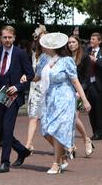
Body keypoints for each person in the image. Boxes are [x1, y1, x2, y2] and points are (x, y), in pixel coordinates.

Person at [34, 33, 91, 174]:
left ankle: (56, 163)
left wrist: (84, 100)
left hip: (65, 98)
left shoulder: (67, 61)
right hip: (49, 97)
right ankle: (64, 154)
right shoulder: (43, 60)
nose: (43, 47)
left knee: (58, 129)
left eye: (45, 45)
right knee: (46, 130)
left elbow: (75, 81)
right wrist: (23, 77)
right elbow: (36, 77)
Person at [0, 26, 34, 173]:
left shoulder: (20, 54)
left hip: (13, 95)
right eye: (5, 37)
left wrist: (18, 86)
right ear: (1, 38)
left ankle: (4, 162)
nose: (7, 40)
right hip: (0, 95)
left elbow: (30, 74)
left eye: (10, 38)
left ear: (14, 38)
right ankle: (22, 151)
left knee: (7, 128)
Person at [66, 35, 94, 157]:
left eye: (73, 42)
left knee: (73, 117)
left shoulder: (85, 57)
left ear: (78, 43)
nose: (71, 44)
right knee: (69, 119)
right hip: (67, 91)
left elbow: (87, 78)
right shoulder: (65, 57)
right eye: (69, 43)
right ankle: (74, 143)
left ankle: (84, 140)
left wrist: (79, 92)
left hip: (80, 91)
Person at [24, 25, 49, 153]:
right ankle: (29, 144)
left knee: (48, 120)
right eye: (40, 39)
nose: (41, 41)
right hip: (35, 87)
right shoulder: (35, 54)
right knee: (33, 116)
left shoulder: (53, 54)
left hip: (48, 89)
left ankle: (67, 144)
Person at [86, 32, 102, 140]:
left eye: (93, 39)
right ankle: (95, 131)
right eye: (91, 39)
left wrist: (96, 60)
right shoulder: (87, 52)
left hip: (99, 84)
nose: (91, 41)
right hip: (89, 84)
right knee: (91, 109)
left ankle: (100, 131)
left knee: (99, 108)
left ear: (99, 41)